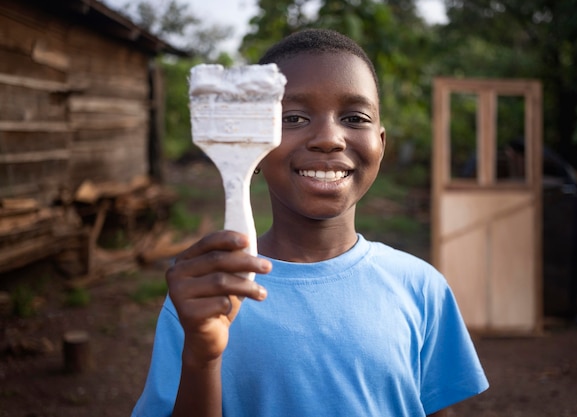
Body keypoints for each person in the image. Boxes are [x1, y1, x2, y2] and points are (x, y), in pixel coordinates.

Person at [132, 28, 488, 417]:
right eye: (294, 117)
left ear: (381, 145)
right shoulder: (206, 295)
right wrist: (201, 358)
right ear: (253, 139)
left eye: (354, 117)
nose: (328, 138)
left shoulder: (422, 287)